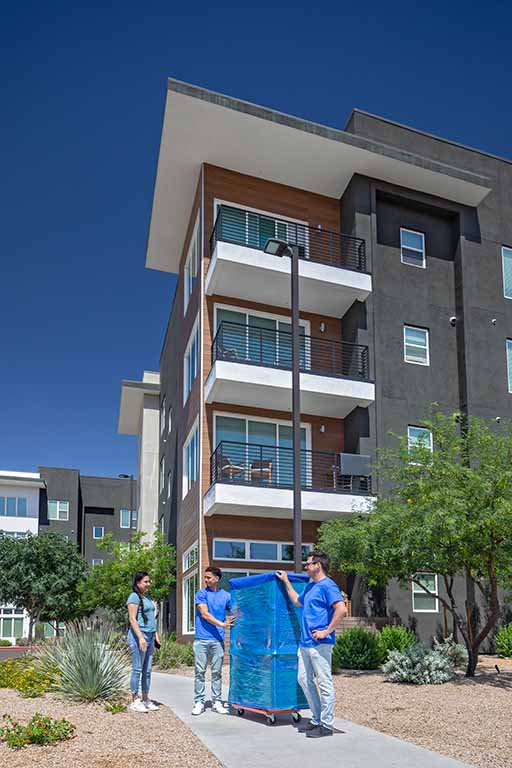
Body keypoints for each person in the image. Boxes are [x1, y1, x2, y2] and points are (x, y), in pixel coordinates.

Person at [276, 551, 347, 738]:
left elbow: (342, 609)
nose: (306, 567)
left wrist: (326, 631)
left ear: (318, 565)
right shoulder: (311, 587)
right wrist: (286, 581)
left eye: (308, 564)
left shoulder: (328, 585)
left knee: (324, 683)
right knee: (303, 680)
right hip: (305, 643)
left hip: (320, 643)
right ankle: (316, 719)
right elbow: (297, 601)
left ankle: (327, 725)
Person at [192, 566, 234, 715]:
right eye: (205, 577)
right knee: (200, 672)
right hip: (201, 640)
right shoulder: (201, 594)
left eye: (208, 577)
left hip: (218, 640)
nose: (206, 580)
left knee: (217, 672)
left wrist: (234, 618)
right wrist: (223, 624)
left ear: (217, 578)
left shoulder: (226, 596)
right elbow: (204, 614)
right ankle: (199, 702)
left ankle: (217, 701)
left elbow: (235, 611)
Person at [127, 571, 161, 713]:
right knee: (137, 669)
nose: (148, 584)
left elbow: (152, 619)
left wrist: (156, 635)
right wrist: (140, 637)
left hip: (150, 636)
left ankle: (145, 699)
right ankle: (135, 699)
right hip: (138, 637)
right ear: (138, 583)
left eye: (149, 581)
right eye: (145, 582)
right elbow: (132, 619)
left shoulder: (146, 598)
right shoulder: (133, 597)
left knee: (147, 671)